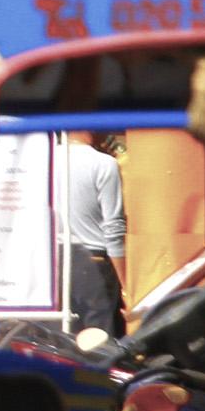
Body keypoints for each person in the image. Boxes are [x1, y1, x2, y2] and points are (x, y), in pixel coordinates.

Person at [62, 130, 128, 341]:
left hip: (53, 262)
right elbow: (114, 227)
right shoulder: (103, 164)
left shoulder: (45, 162)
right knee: (101, 343)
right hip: (94, 264)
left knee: (61, 339)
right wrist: (125, 284)